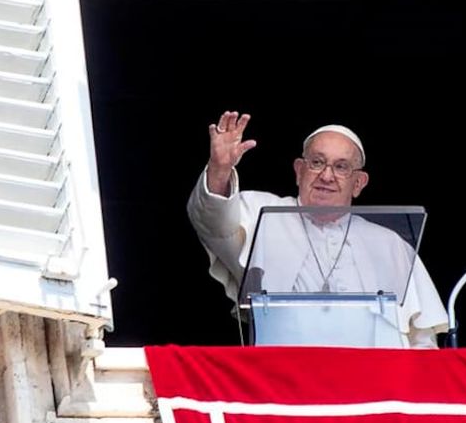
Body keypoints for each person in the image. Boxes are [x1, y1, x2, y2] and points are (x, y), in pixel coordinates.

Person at [187, 111, 449, 348]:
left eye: (341, 167)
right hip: (285, 375)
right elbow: (214, 222)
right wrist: (220, 169)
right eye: (317, 162)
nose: (326, 176)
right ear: (299, 171)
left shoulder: (389, 243)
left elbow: (421, 337)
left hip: (373, 381)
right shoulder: (260, 213)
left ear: (359, 183)